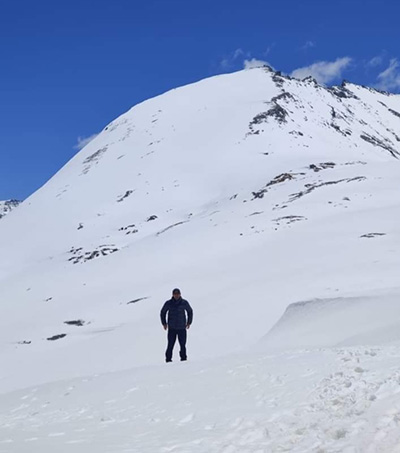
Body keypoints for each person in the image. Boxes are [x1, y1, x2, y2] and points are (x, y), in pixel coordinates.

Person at [160, 288, 193, 363]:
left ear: (180, 294)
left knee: (182, 345)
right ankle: (168, 360)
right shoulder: (169, 303)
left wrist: (189, 322)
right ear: (173, 294)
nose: (176, 295)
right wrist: (164, 323)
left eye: (178, 294)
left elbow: (190, 311)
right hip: (172, 328)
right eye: (175, 294)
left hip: (182, 328)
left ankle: (183, 359)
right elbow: (163, 312)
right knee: (170, 345)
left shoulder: (184, 303)